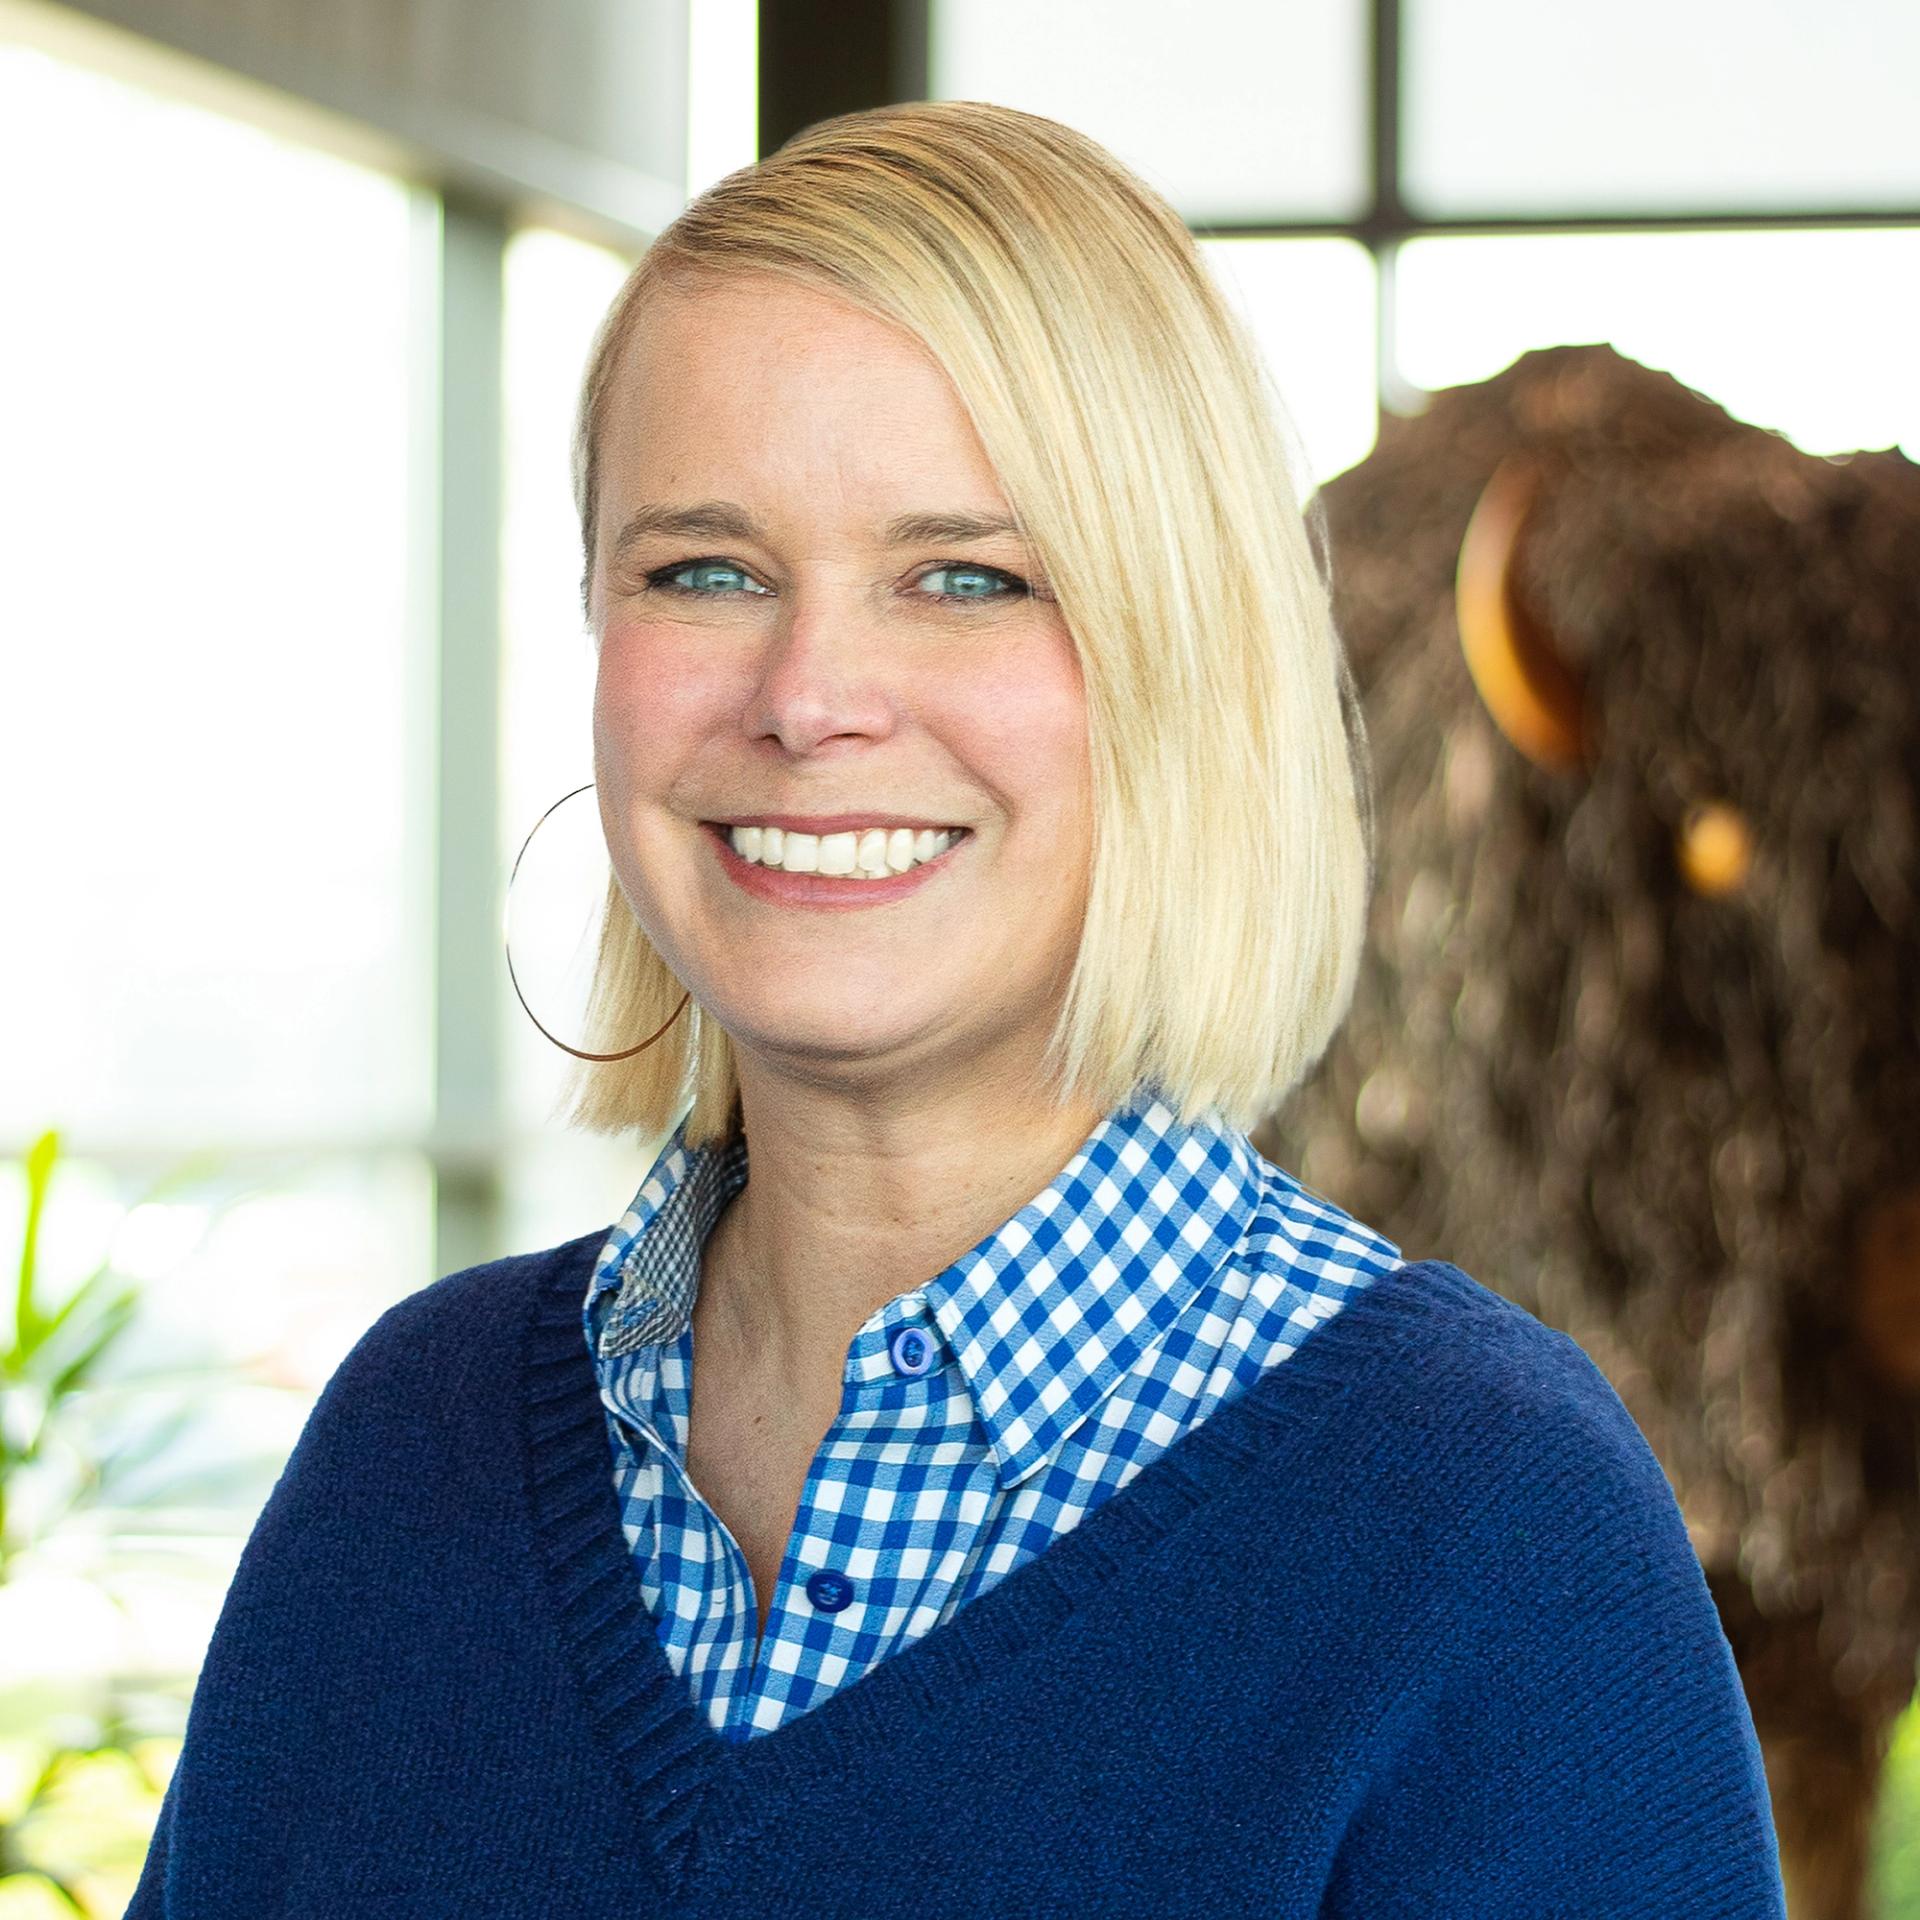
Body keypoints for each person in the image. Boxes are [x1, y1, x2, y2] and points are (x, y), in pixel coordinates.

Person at [127, 100, 1787, 1917]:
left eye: (967, 577)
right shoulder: (408, 1444)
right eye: (704, 568)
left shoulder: (1491, 1536)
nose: (809, 693)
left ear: (1185, 667)